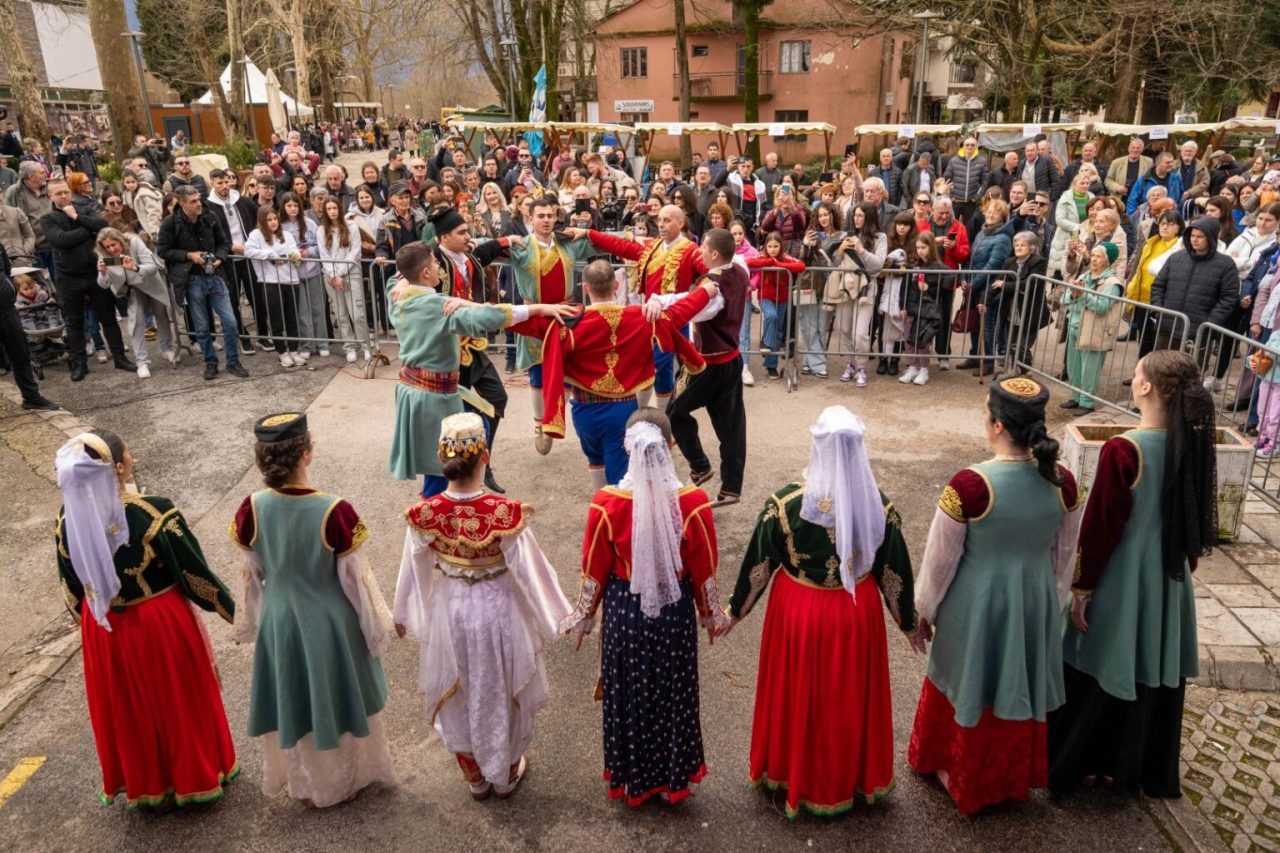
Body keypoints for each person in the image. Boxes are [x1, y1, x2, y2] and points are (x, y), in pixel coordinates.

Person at [724, 406, 918, 816]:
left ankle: (793, 772)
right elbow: (894, 572)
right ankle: (848, 778)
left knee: (798, 694)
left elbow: (759, 565)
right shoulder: (880, 508)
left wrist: (734, 611)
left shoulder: (785, 505)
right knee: (847, 698)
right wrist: (909, 623)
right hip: (855, 612)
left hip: (800, 610)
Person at [908, 378, 1082, 815]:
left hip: (977, 604)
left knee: (972, 682)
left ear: (998, 425)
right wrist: (1052, 600)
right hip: (1033, 599)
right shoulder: (1063, 483)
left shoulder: (970, 486)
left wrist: (924, 611)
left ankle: (958, 771)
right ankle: (1009, 776)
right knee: (1014, 684)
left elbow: (939, 563)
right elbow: (1065, 555)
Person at [1050, 350, 1215, 796]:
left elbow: (1100, 527)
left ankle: (1084, 763)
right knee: (1148, 665)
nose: (1134, 376)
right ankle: (1134, 769)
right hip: (1168, 575)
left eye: (1137, 372)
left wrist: (1081, 589)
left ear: (1145, 388)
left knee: (1100, 659)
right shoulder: (1194, 442)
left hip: (1124, 575)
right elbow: (1195, 515)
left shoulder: (1124, 449)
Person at [55, 430, 237, 808]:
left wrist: (86, 621)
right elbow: (193, 574)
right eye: (129, 453)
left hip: (101, 626)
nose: (134, 458)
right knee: (176, 700)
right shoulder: (151, 512)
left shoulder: (66, 520)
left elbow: (71, 585)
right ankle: (191, 777)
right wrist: (235, 611)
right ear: (117, 468)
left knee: (126, 709)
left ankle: (146, 783)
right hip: (156, 622)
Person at [392, 412, 570, 800]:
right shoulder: (504, 513)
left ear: (441, 457)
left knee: (460, 689)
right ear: (485, 455)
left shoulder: (424, 514)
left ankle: (475, 778)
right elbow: (531, 572)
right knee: (499, 687)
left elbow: (414, 570)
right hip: (498, 608)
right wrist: (556, 615)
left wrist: (407, 614)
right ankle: (505, 775)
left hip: (451, 609)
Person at [560, 408, 729, 806]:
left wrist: (583, 618)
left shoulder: (606, 504)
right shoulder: (695, 503)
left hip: (624, 615)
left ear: (626, 446)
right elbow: (704, 570)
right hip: (673, 615)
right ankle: (671, 779)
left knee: (631, 695)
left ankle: (634, 778)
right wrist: (710, 615)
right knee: (672, 694)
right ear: (672, 447)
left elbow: (594, 572)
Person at [231, 412, 395, 807]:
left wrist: (253, 621)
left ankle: (305, 784)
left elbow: (251, 575)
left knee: (296, 696)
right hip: (327, 620)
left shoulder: (250, 509)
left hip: (279, 618)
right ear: (306, 454)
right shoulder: (334, 511)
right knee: (335, 696)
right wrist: (377, 628)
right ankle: (342, 781)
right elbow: (357, 580)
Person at [385, 242, 568, 497]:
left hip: (415, 391)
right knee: (444, 464)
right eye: (434, 263)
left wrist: (404, 280)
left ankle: (450, 500)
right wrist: (539, 308)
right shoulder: (436, 306)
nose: (439, 266)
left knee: (450, 449)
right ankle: (437, 515)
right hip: (433, 396)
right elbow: (488, 317)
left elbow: (393, 279)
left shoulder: (398, 292)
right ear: (425, 273)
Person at [510, 259, 713, 487]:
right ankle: (614, 514)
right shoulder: (642, 317)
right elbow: (682, 310)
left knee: (595, 461)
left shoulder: (566, 321)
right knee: (620, 474)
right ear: (616, 286)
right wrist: (708, 288)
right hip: (622, 410)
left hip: (584, 410)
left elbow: (514, 320)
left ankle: (601, 510)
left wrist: (469, 307)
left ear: (585, 287)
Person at [651, 228, 751, 503]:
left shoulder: (714, 285)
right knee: (731, 426)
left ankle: (700, 465)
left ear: (715, 254)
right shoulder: (740, 268)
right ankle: (731, 487)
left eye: (704, 248)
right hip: (731, 359)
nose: (700, 252)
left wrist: (661, 300)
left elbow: (694, 306)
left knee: (674, 412)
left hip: (706, 364)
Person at [497, 197, 599, 451]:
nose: (546, 220)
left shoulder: (568, 244)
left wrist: (632, 238)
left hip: (564, 317)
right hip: (535, 318)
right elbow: (479, 248)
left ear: (556, 218)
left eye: (550, 216)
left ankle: (555, 420)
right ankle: (538, 424)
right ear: (530, 219)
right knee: (537, 373)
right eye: (540, 216)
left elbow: (600, 240)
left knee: (565, 373)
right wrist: (504, 241)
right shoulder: (521, 247)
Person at [578, 205, 708, 401]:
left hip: (672, 320)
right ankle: (658, 420)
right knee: (661, 374)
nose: (661, 225)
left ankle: (649, 417)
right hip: (647, 318)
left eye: (667, 220)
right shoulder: (653, 246)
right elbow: (621, 246)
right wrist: (589, 233)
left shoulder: (692, 250)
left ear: (681, 223)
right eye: (660, 220)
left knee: (649, 366)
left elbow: (710, 272)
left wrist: (708, 286)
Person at [41, 179, 135, 380]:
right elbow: (61, 240)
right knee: (74, 322)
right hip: (68, 277)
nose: (64, 196)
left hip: (95, 272)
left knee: (108, 317)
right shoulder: (48, 219)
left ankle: (120, 357)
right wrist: (88, 231)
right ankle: (79, 363)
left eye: (66, 192)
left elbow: (103, 224)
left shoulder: (82, 210)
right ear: (51, 196)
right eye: (59, 194)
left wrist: (76, 217)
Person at [156, 186, 248, 380]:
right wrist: (189, 255)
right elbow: (163, 251)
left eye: (198, 199)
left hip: (215, 275)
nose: (198, 204)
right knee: (202, 327)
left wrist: (220, 258)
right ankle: (211, 362)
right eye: (193, 201)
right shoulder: (170, 223)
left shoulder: (210, 216)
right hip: (192, 280)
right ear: (182, 204)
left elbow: (224, 243)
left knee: (231, 323)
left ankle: (233, 361)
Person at [95, 228, 175, 379]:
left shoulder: (134, 242)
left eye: (114, 244)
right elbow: (103, 285)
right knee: (136, 321)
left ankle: (167, 349)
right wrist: (102, 272)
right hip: (131, 289)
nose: (112, 249)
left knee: (161, 314)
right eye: (108, 247)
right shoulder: (102, 254)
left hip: (150, 282)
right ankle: (142, 361)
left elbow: (151, 267)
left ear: (121, 240)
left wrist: (134, 267)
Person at [1060, 242, 1125, 414]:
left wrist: (1083, 295)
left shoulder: (1112, 283)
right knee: (1073, 367)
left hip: (1095, 331)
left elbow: (1103, 306)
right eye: (1093, 255)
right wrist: (1073, 294)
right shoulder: (1085, 276)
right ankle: (1076, 397)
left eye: (1099, 256)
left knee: (1090, 369)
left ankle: (1087, 403)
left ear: (1108, 260)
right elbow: (1064, 299)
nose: (1094, 259)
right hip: (1075, 326)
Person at [747, 231, 806, 380]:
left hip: (782, 298)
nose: (772, 249)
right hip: (766, 297)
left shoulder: (785, 258)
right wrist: (769, 262)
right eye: (770, 246)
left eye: (776, 246)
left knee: (779, 331)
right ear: (765, 246)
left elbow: (801, 265)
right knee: (771, 316)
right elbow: (749, 262)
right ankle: (766, 342)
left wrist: (778, 264)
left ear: (781, 246)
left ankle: (771, 365)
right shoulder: (761, 256)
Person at [317, 195, 369, 363]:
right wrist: (333, 275)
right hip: (330, 277)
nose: (332, 211)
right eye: (329, 209)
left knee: (357, 313)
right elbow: (323, 255)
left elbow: (355, 252)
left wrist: (340, 273)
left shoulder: (351, 226)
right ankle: (349, 346)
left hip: (350, 273)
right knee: (340, 314)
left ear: (339, 209)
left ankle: (366, 345)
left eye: (335, 208)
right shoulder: (321, 230)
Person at [897, 232, 949, 385]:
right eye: (918, 247)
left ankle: (924, 369)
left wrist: (930, 287)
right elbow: (904, 287)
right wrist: (902, 306)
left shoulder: (938, 267)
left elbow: (946, 284)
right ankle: (912, 366)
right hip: (911, 308)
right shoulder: (913, 265)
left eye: (923, 247)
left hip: (928, 310)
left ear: (931, 247)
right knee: (908, 339)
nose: (920, 250)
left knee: (923, 341)